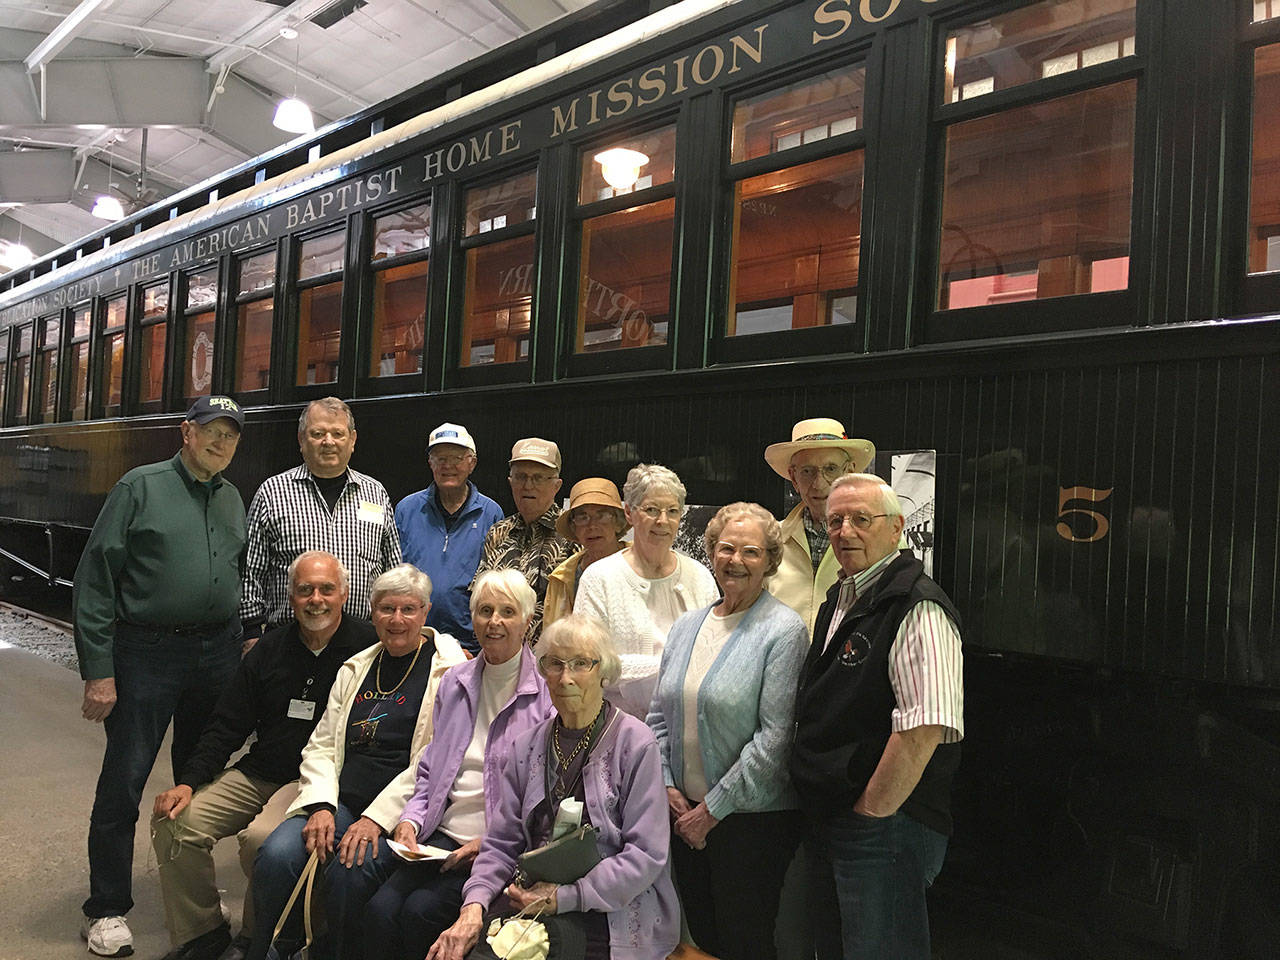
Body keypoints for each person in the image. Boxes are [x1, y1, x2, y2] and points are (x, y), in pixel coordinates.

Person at [74, 395, 247, 958]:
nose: (221, 443)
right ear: (186, 432)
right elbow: (96, 580)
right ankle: (104, 909)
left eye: (230, 435)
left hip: (215, 654)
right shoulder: (139, 487)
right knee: (124, 779)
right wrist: (99, 671)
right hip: (146, 654)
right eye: (211, 432)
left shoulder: (232, 498)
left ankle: (193, 902)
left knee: (199, 780)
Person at [149, 551, 374, 960]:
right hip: (261, 769)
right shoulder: (270, 649)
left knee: (260, 841)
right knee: (176, 824)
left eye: (326, 589)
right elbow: (225, 725)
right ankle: (204, 931)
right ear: (291, 597)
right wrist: (187, 782)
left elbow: (420, 643)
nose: (316, 599)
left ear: (344, 593)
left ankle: (256, 936)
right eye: (305, 590)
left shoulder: (368, 647)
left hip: (315, 780)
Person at [427, 614, 679, 960]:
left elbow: (645, 856)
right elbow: (502, 844)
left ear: (604, 672)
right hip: (532, 898)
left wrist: (564, 897)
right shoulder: (527, 746)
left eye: (580, 664)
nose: (565, 677)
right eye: (554, 664)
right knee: (467, 951)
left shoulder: (636, 743)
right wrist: (472, 907)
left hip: (609, 910)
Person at [246, 564, 466, 960]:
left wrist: (375, 819)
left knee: (351, 865)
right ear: (371, 612)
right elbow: (322, 745)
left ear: (426, 611)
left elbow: (434, 761)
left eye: (409, 609)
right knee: (277, 856)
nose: (397, 620)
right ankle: (269, 947)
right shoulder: (356, 667)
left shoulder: (448, 672)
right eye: (386, 609)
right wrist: (322, 806)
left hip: (400, 808)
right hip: (341, 801)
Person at [791, 474, 964, 960]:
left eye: (862, 519)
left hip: (885, 825)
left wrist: (870, 813)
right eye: (836, 521)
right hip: (841, 816)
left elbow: (924, 729)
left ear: (897, 528)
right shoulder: (843, 599)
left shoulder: (917, 607)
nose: (846, 531)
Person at [647, 503, 808, 960]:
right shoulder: (686, 626)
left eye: (751, 551)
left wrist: (710, 812)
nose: (735, 560)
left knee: (746, 944)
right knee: (706, 939)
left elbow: (775, 739)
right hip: (685, 816)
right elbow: (658, 716)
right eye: (725, 548)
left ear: (770, 561)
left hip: (751, 824)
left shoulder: (784, 630)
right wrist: (668, 786)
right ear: (711, 553)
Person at [364, 570, 553, 957]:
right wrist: (411, 819)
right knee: (379, 911)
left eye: (507, 612)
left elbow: (547, 795)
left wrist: (486, 842)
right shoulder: (456, 681)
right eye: (485, 611)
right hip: (439, 835)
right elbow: (431, 765)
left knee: (421, 912)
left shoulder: (546, 696)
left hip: (496, 845)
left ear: (527, 623)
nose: (494, 622)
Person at [240, 397, 400, 642]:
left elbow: (392, 570)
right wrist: (252, 633)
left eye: (338, 433)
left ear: (352, 440)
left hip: (362, 642)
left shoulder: (375, 493)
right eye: (318, 433)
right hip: (289, 642)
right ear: (301, 440)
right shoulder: (272, 493)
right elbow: (251, 571)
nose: (329, 442)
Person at [575, 464, 717, 718]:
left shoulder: (701, 578)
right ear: (629, 513)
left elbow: (716, 658)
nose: (663, 521)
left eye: (672, 511)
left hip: (689, 726)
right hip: (617, 730)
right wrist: (676, 669)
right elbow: (590, 664)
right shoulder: (599, 579)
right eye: (651, 510)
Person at [396, 422, 504, 655]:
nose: (448, 466)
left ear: (471, 463)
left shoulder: (491, 513)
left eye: (456, 458)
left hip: (470, 646)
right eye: (440, 458)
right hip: (414, 639)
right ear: (430, 463)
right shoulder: (406, 509)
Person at [763, 417, 875, 635]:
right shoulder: (770, 539)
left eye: (830, 469)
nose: (819, 483)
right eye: (807, 471)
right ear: (793, 478)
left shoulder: (878, 538)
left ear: (850, 472)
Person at [472, 437, 573, 642]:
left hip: (551, 662)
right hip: (499, 657)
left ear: (556, 485)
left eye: (538, 478)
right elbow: (480, 597)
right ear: (510, 482)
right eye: (521, 477)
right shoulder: (498, 532)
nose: (528, 485)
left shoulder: (572, 533)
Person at [543, 478, 629, 629]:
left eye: (602, 516)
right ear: (573, 527)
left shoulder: (642, 564)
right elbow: (552, 638)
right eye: (583, 517)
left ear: (618, 522)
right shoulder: (561, 578)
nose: (592, 526)